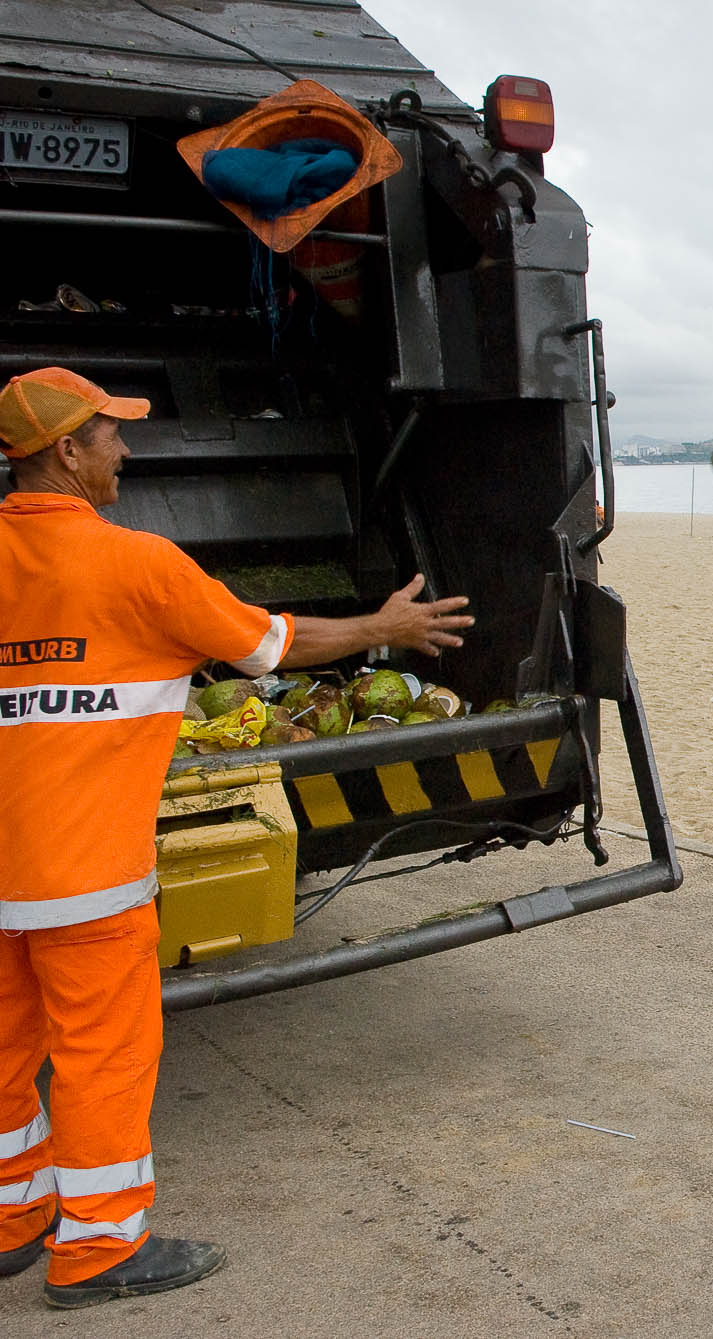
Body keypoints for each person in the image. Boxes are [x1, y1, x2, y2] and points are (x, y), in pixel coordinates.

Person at [0, 368, 476, 1308]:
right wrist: (382, 624)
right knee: (103, 1057)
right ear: (66, 450)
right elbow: (270, 646)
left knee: (8, 1046)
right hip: (87, 876)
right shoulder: (137, 565)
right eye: (110, 434)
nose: (126, 449)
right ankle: (98, 1249)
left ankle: (14, 1219)